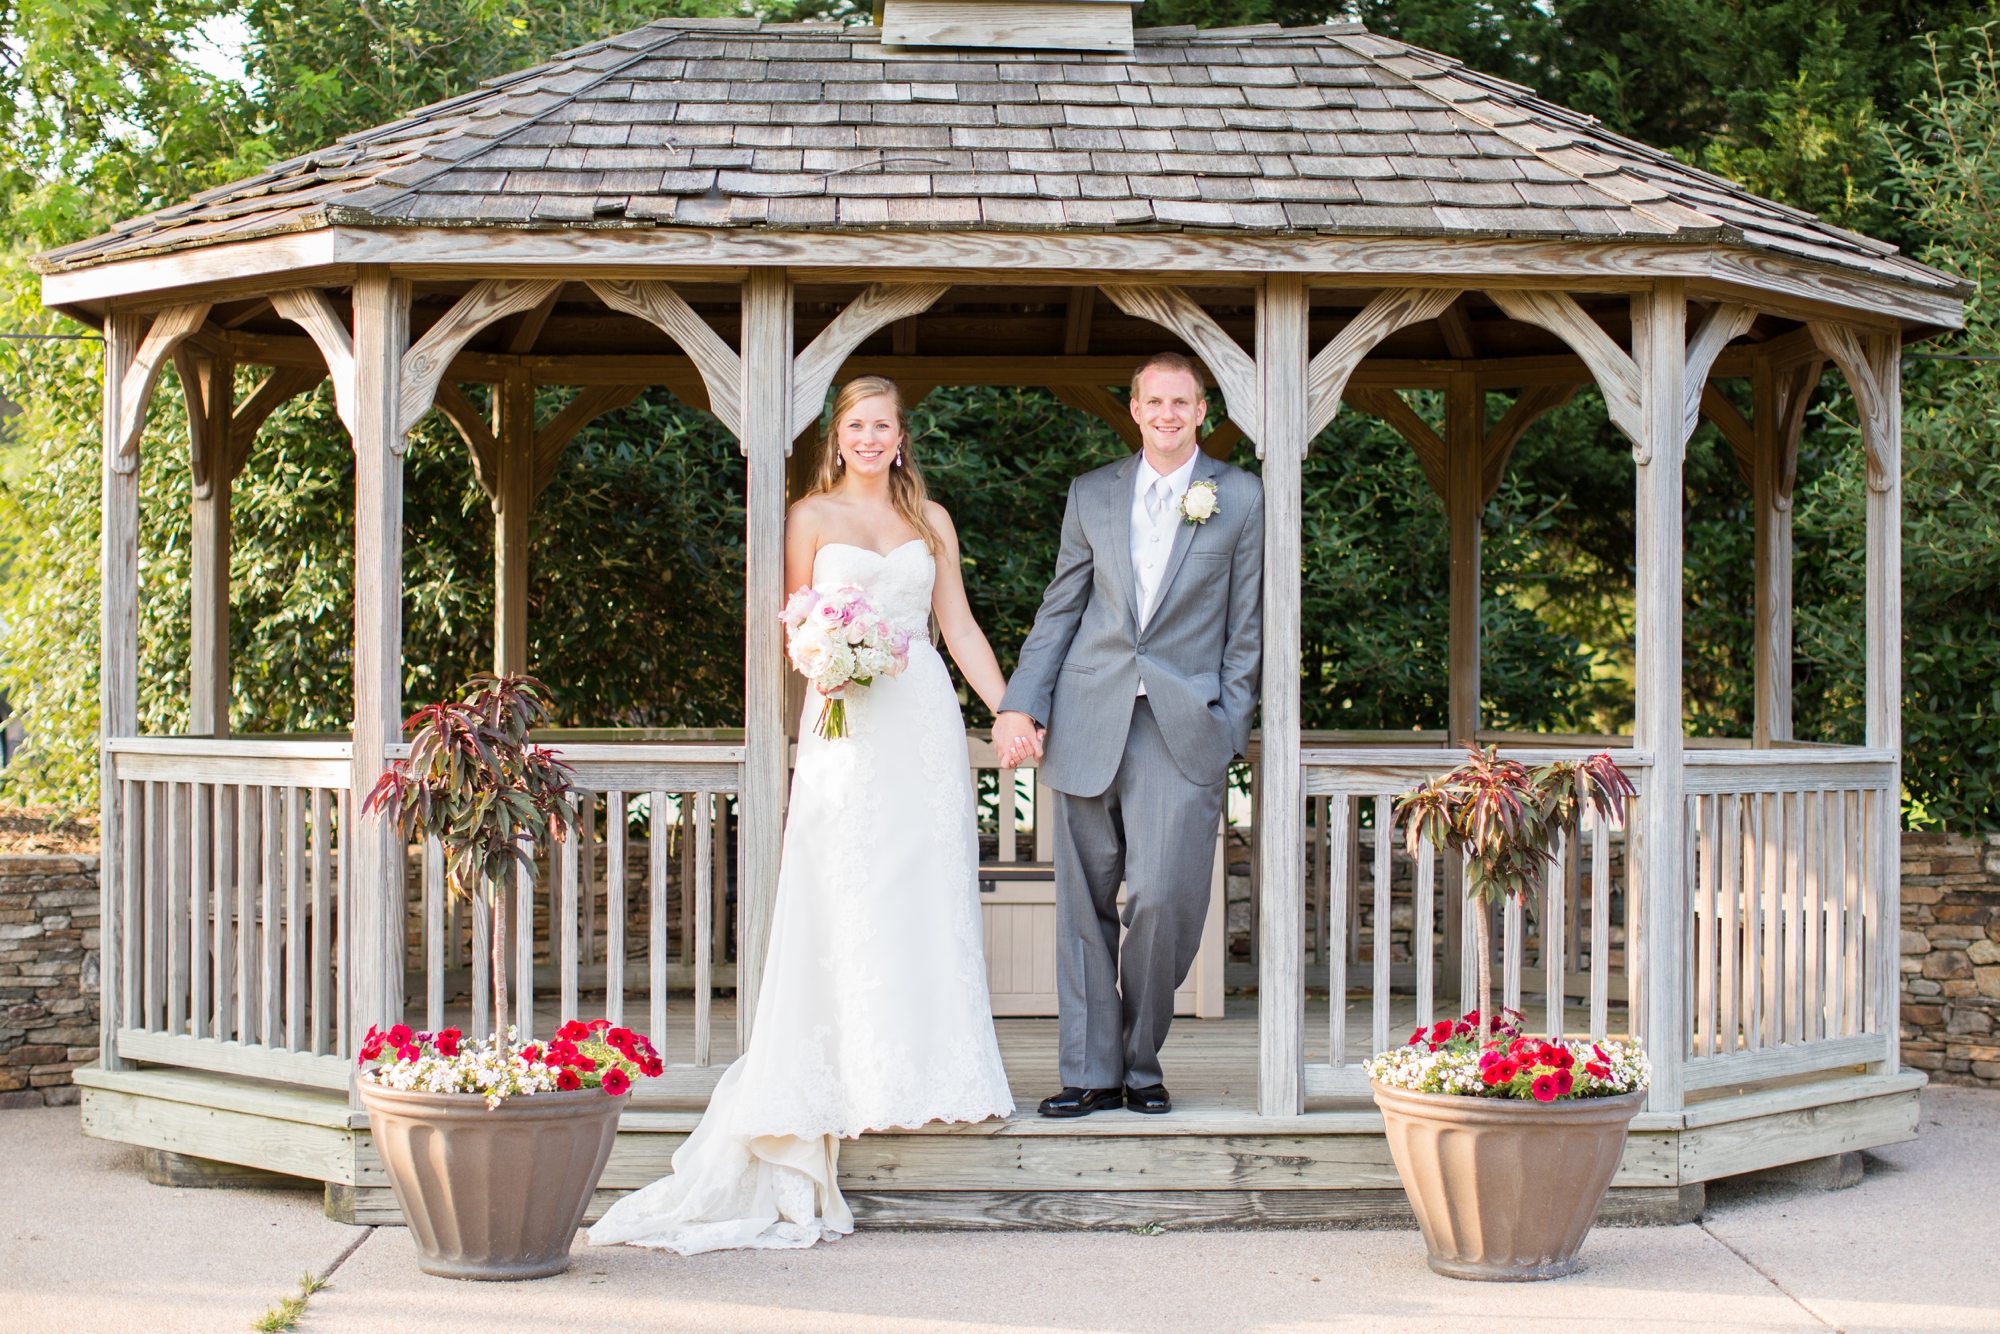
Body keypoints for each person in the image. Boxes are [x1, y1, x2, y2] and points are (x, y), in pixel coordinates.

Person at [589, 376, 1015, 1255]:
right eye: (855, 425)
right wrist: (824, 659)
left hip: (923, 719)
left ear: (903, 438)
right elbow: (796, 625)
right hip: (846, 721)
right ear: (838, 438)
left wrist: (1008, 709)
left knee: (925, 888)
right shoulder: (808, 517)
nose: (869, 437)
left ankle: (930, 1072)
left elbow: (959, 626)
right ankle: (853, 1071)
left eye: (883, 426)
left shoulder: (931, 520)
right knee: (850, 888)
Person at [992, 352, 1264, 1118]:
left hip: (1183, 727)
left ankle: (1141, 1060)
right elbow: (1062, 607)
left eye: (1182, 402)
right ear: (1135, 408)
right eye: (1155, 401)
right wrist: (1022, 701)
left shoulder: (1239, 497)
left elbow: (1247, 631)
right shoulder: (1092, 494)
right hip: (1088, 716)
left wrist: (1228, 724)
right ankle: (1089, 1071)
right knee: (1081, 904)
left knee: (1159, 899)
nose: (1168, 415)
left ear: (1202, 410)